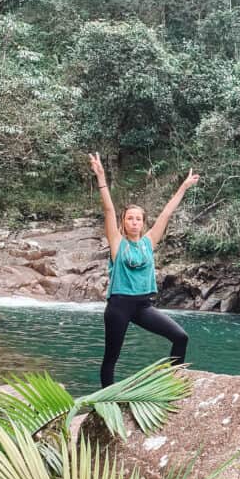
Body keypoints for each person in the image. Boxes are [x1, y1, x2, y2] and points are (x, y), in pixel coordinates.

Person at [89, 152, 200, 387]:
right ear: (123, 223)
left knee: (180, 337)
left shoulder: (149, 242)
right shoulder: (117, 243)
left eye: (138, 219)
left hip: (142, 306)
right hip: (119, 306)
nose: (134, 222)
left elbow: (166, 213)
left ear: (143, 222)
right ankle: (107, 402)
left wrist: (184, 186)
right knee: (111, 358)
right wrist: (101, 177)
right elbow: (109, 210)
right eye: (130, 218)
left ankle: (171, 385)